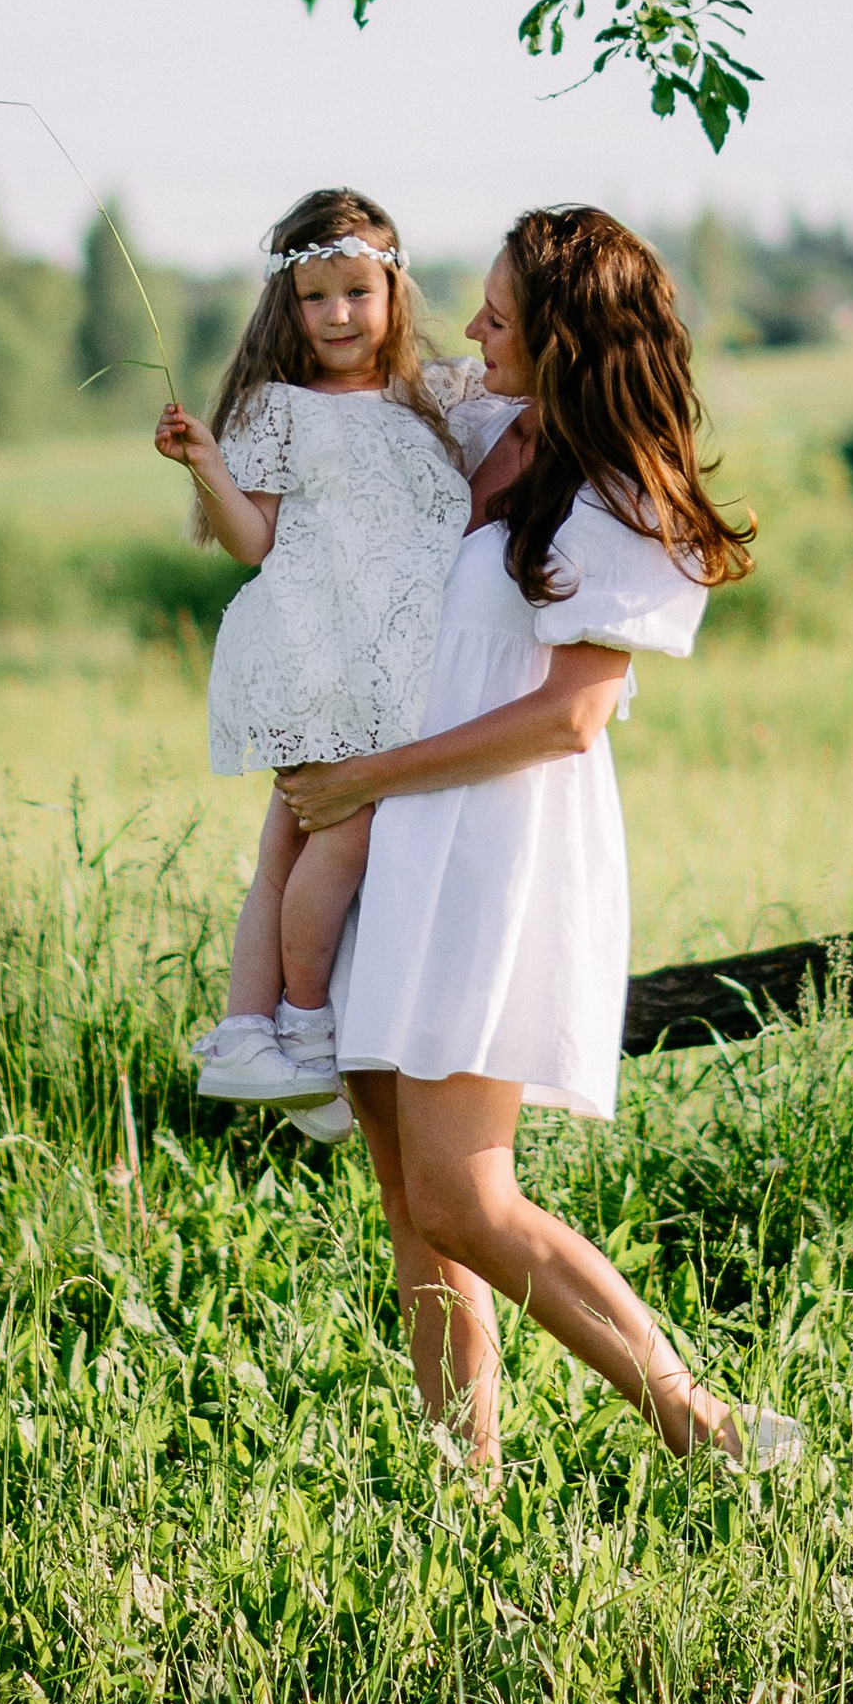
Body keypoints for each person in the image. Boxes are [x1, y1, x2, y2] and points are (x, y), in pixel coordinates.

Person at [279, 205, 799, 1470]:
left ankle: (705, 1429)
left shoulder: (617, 495)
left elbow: (568, 720)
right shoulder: (482, 424)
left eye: (501, 317)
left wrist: (367, 782)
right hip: (391, 838)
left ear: (566, 335)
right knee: (412, 1205)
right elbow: (345, 386)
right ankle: (468, 1487)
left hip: (487, 855)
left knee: (467, 1194)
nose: (473, 330)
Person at [155, 186, 519, 1116]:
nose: (339, 315)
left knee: (289, 844)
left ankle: (248, 1033)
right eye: (316, 298)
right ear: (289, 307)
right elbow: (253, 542)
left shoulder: (437, 397)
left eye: (358, 291)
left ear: (395, 290)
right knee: (345, 833)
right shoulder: (280, 407)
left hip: (381, 661)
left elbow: (525, 406)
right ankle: (310, 1029)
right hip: (311, 649)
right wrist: (207, 465)